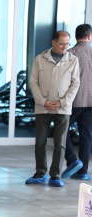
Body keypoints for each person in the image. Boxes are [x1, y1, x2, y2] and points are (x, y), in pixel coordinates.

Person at [27, 30, 80, 187]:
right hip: (42, 107)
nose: (65, 47)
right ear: (53, 43)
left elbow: (75, 84)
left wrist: (62, 102)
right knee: (40, 142)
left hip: (62, 108)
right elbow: (33, 82)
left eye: (67, 44)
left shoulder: (73, 60)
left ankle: (56, 175)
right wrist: (43, 101)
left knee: (60, 143)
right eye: (62, 44)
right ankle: (40, 173)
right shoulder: (39, 59)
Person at [64, 24, 92, 180]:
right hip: (90, 101)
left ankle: (72, 160)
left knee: (60, 131)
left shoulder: (70, 54)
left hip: (74, 101)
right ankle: (83, 172)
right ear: (89, 36)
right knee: (86, 134)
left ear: (76, 37)